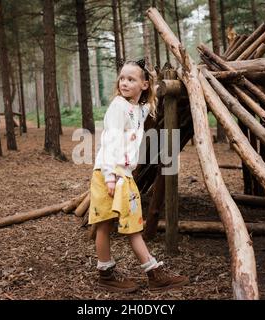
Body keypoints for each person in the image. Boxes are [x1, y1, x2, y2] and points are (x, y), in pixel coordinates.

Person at [88, 58, 189, 293]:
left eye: (131, 79)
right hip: (109, 174)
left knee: (128, 225)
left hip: (123, 175)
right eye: (122, 78)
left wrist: (158, 84)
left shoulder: (138, 109)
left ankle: (136, 274)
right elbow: (110, 140)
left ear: (143, 85)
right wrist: (110, 176)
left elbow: (150, 96)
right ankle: (139, 275)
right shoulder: (118, 106)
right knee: (109, 225)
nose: (124, 82)